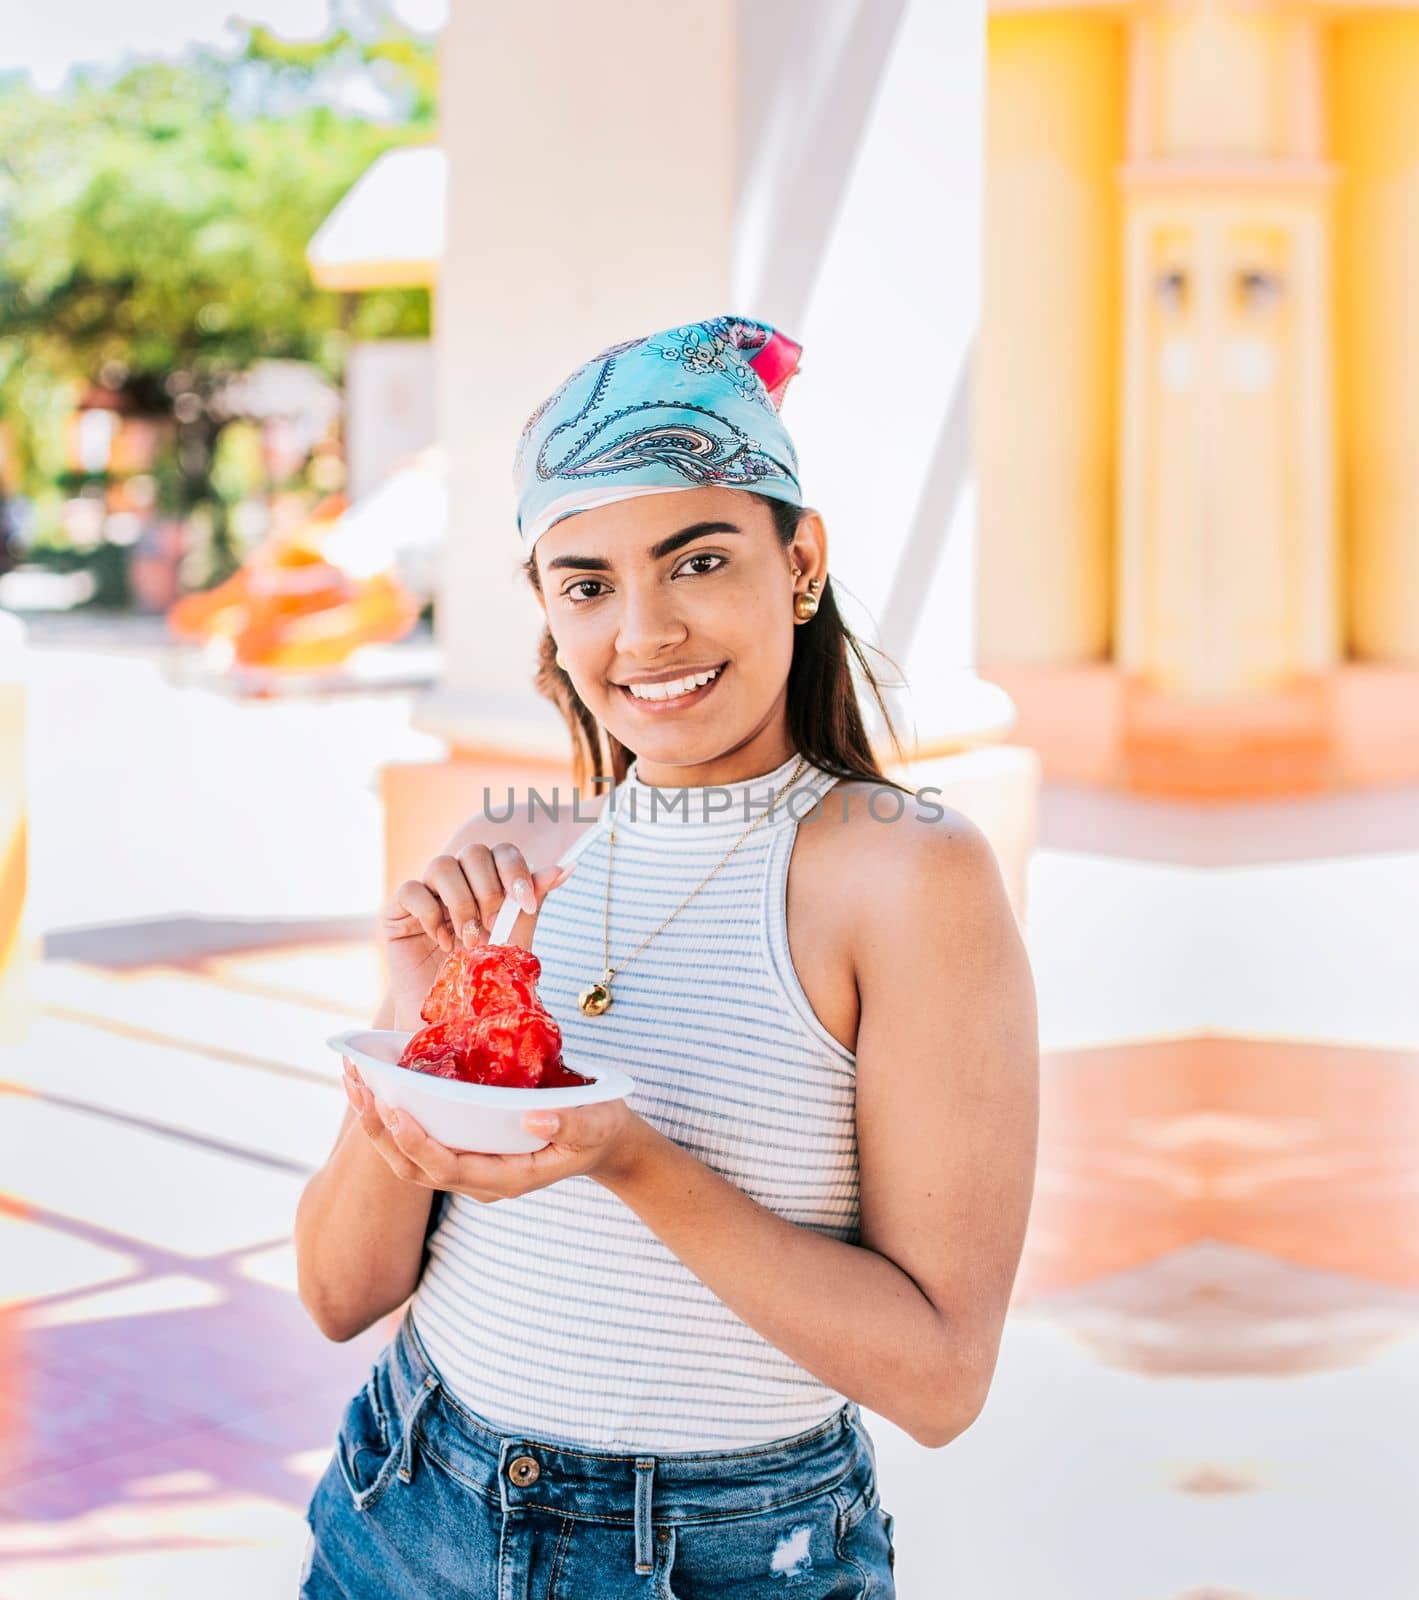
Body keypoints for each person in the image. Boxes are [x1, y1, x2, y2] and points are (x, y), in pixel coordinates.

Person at [293, 314, 1039, 1597]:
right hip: (405, 1507)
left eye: (696, 560)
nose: (644, 634)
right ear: (549, 611)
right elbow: (339, 1292)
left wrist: (630, 1158)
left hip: (720, 1555)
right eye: (587, 583)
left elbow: (939, 1377)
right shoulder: (511, 857)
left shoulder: (907, 874)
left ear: (799, 562)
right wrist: (425, 1033)